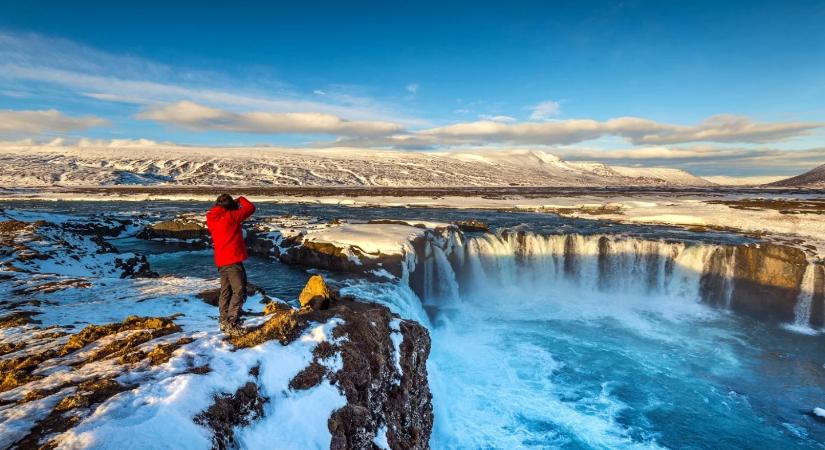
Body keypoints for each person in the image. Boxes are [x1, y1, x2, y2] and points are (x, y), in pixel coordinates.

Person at [205, 194, 256, 336]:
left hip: (221, 261)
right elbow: (250, 208)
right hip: (233, 260)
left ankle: (224, 320)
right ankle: (232, 322)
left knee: (225, 291)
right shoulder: (231, 216)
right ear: (230, 206)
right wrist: (240, 199)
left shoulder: (211, 218)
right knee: (239, 291)